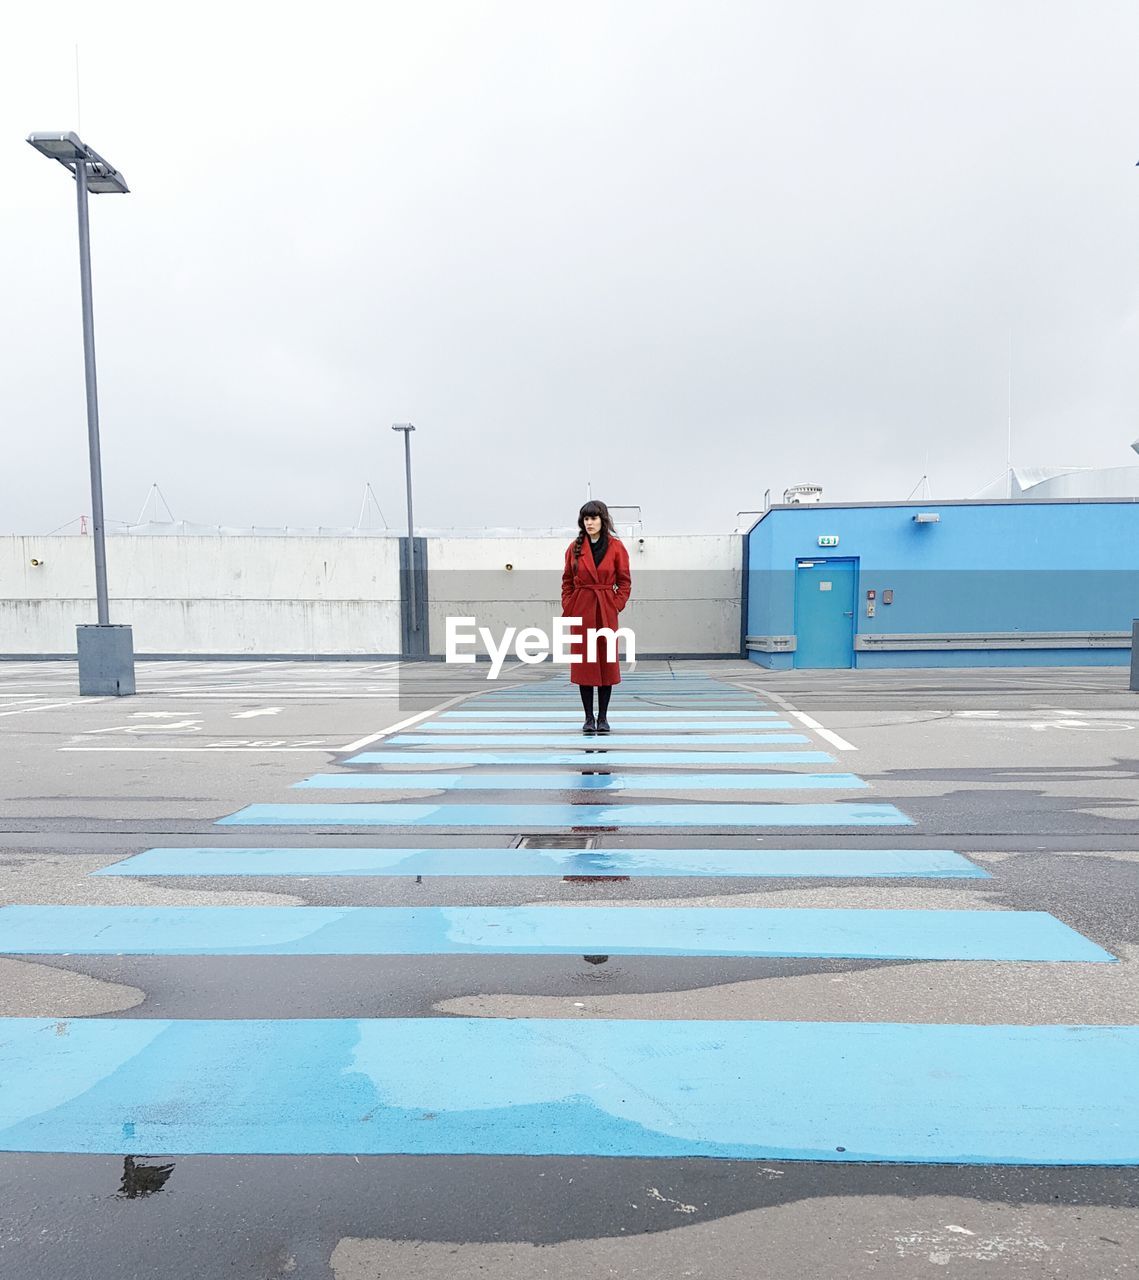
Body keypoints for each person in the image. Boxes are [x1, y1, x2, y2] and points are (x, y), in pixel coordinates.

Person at [560, 500, 632, 733]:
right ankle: (588, 718)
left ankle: (603, 717)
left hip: (605, 609)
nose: (589, 523)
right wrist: (570, 605)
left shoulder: (616, 547)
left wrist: (615, 604)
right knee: (585, 665)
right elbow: (567, 581)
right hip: (582, 609)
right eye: (586, 519)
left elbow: (624, 582)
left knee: (606, 664)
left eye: (593, 518)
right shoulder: (574, 547)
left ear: (603, 519)